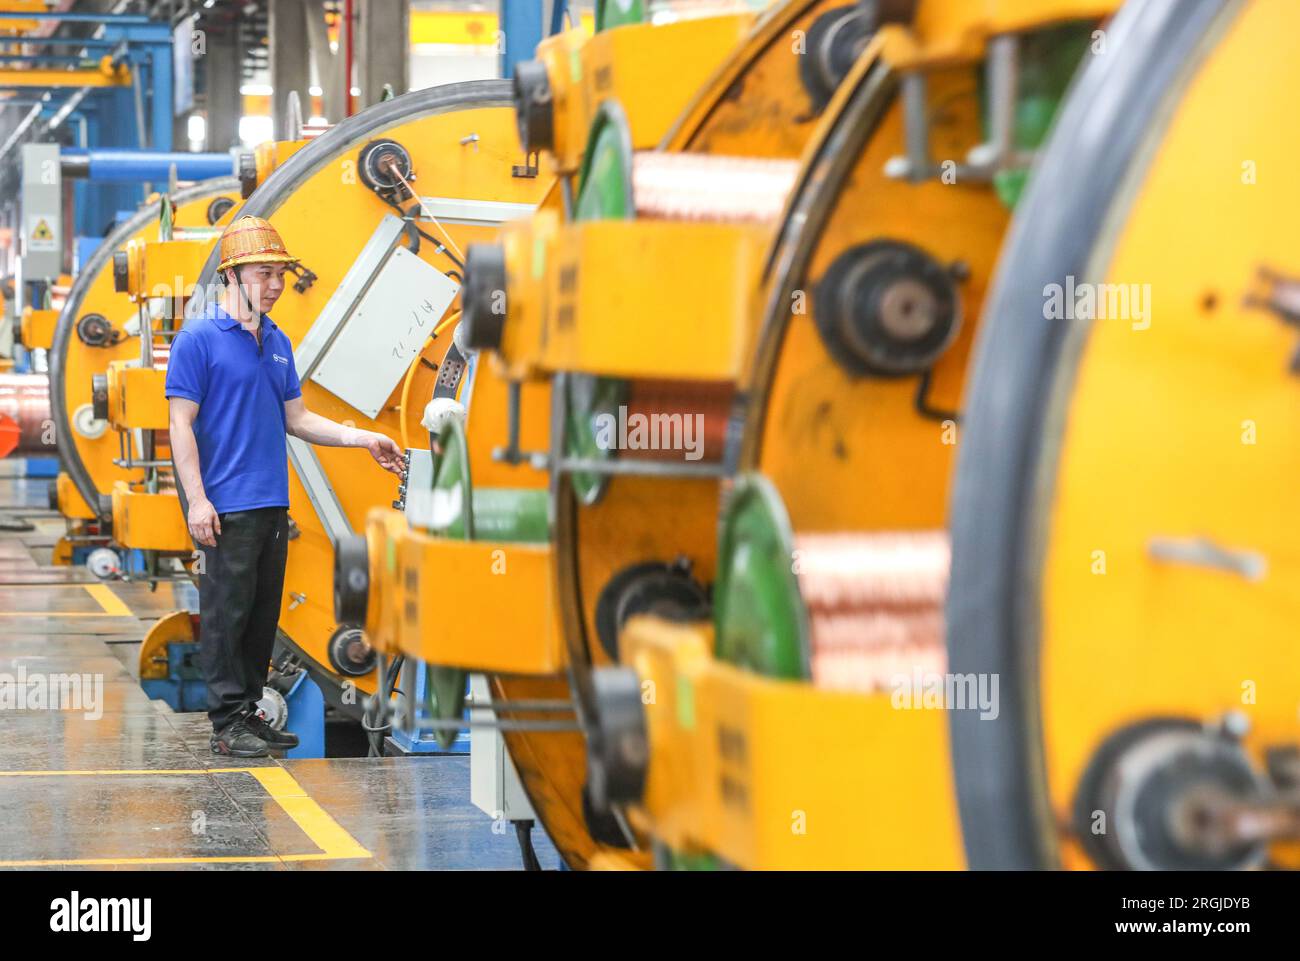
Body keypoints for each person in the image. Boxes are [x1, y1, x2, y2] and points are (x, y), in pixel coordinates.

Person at [165, 216, 405, 757]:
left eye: (281, 273)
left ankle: (249, 712)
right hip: (224, 505)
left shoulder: (276, 341)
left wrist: (362, 437)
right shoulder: (198, 339)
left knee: (260, 614)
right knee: (227, 613)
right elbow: (180, 424)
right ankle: (226, 723)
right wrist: (197, 500)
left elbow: (298, 419)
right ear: (232, 275)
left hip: (272, 501)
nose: (275, 284)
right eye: (264, 272)